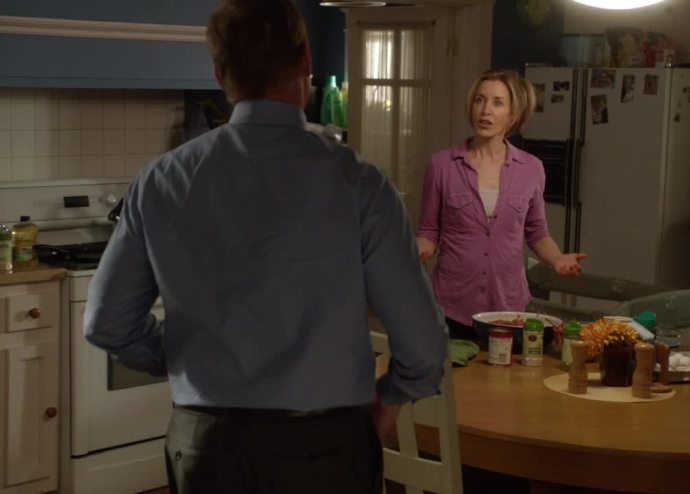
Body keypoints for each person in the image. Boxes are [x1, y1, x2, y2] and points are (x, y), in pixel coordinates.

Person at [83, 1, 448, 493]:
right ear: (305, 62)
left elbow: (107, 322)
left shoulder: (162, 180)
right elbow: (422, 347)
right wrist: (390, 399)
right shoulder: (360, 183)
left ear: (220, 74)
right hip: (327, 444)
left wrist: (182, 354)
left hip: (208, 443)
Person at [416, 69, 587, 341]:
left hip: (509, 307)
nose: (485, 110)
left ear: (513, 114)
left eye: (497, 103)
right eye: (479, 100)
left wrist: (557, 259)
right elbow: (429, 232)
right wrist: (414, 250)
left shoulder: (531, 169)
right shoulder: (441, 166)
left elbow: (537, 232)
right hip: (451, 306)